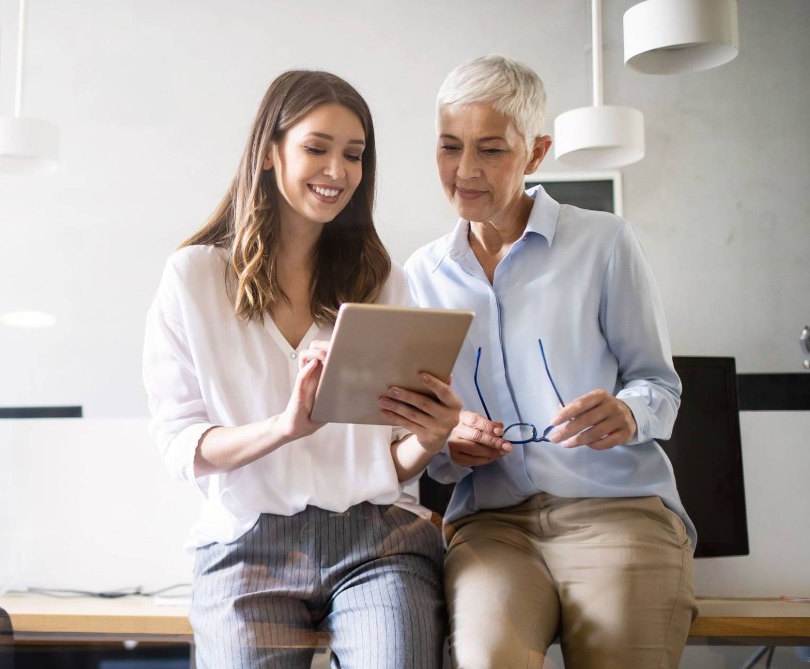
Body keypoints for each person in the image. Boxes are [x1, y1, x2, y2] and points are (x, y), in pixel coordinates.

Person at [142, 70, 459, 669]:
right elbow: (181, 447)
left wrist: (430, 436)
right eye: (317, 148)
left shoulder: (380, 281)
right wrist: (285, 426)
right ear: (269, 151)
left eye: (354, 155)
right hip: (246, 546)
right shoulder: (194, 278)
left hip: (377, 539)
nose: (337, 171)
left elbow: (389, 462)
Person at [405, 55, 696, 669]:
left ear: (536, 153)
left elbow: (659, 385)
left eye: (491, 150)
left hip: (618, 514)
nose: (465, 171)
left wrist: (627, 412)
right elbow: (420, 434)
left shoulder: (605, 243)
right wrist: (451, 444)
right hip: (493, 530)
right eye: (450, 147)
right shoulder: (419, 277)